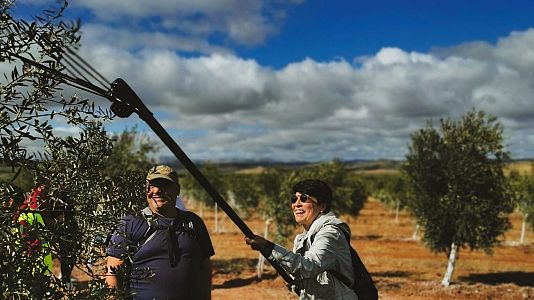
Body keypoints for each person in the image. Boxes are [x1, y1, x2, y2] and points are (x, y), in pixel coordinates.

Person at [106, 165, 214, 300]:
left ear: (177, 190)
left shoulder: (193, 223)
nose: (156, 191)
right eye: (151, 186)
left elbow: (205, 265)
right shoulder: (129, 224)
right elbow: (113, 270)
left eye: (164, 185)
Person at [245, 179, 358, 300]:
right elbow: (303, 272)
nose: (297, 204)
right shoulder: (303, 238)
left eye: (304, 199)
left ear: (322, 206)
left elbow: (307, 267)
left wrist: (268, 247)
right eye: (294, 199)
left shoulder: (330, 233)